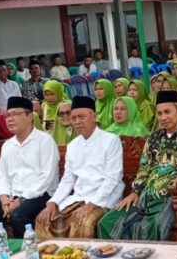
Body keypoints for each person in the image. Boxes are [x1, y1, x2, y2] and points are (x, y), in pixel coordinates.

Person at [98, 90, 177, 240]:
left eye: (167, 112)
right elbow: (145, 168)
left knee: (153, 226)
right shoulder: (153, 138)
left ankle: (146, 255)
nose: (163, 118)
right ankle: (121, 255)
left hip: (171, 196)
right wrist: (135, 191)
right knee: (106, 223)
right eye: (159, 113)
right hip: (146, 196)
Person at [36, 95, 123, 239]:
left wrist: (92, 205)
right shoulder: (73, 145)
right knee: (43, 220)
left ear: (94, 116)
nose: (77, 122)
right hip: (79, 198)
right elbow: (67, 179)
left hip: (104, 199)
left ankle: (83, 254)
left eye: (81, 117)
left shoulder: (111, 140)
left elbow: (112, 179)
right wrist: (52, 202)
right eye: (74, 118)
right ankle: (56, 254)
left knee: (83, 222)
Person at [0, 97, 59, 236]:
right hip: (12, 196)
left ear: (30, 116)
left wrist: (21, 200)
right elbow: (3, 176)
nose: (10, 119)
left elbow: (46, 178)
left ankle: (33, 248)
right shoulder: (8, 145)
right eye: (7, 115)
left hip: (40, 194)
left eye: (15, 114)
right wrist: (4, 198)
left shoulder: (44, 141)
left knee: (17, 216)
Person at [41, 80, 72, 145]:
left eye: (52, 94)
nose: (49, 97)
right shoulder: (43, 106)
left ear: (58, 93)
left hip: (66, 138)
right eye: (46, 95)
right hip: (48, 140)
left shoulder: (67, 105)